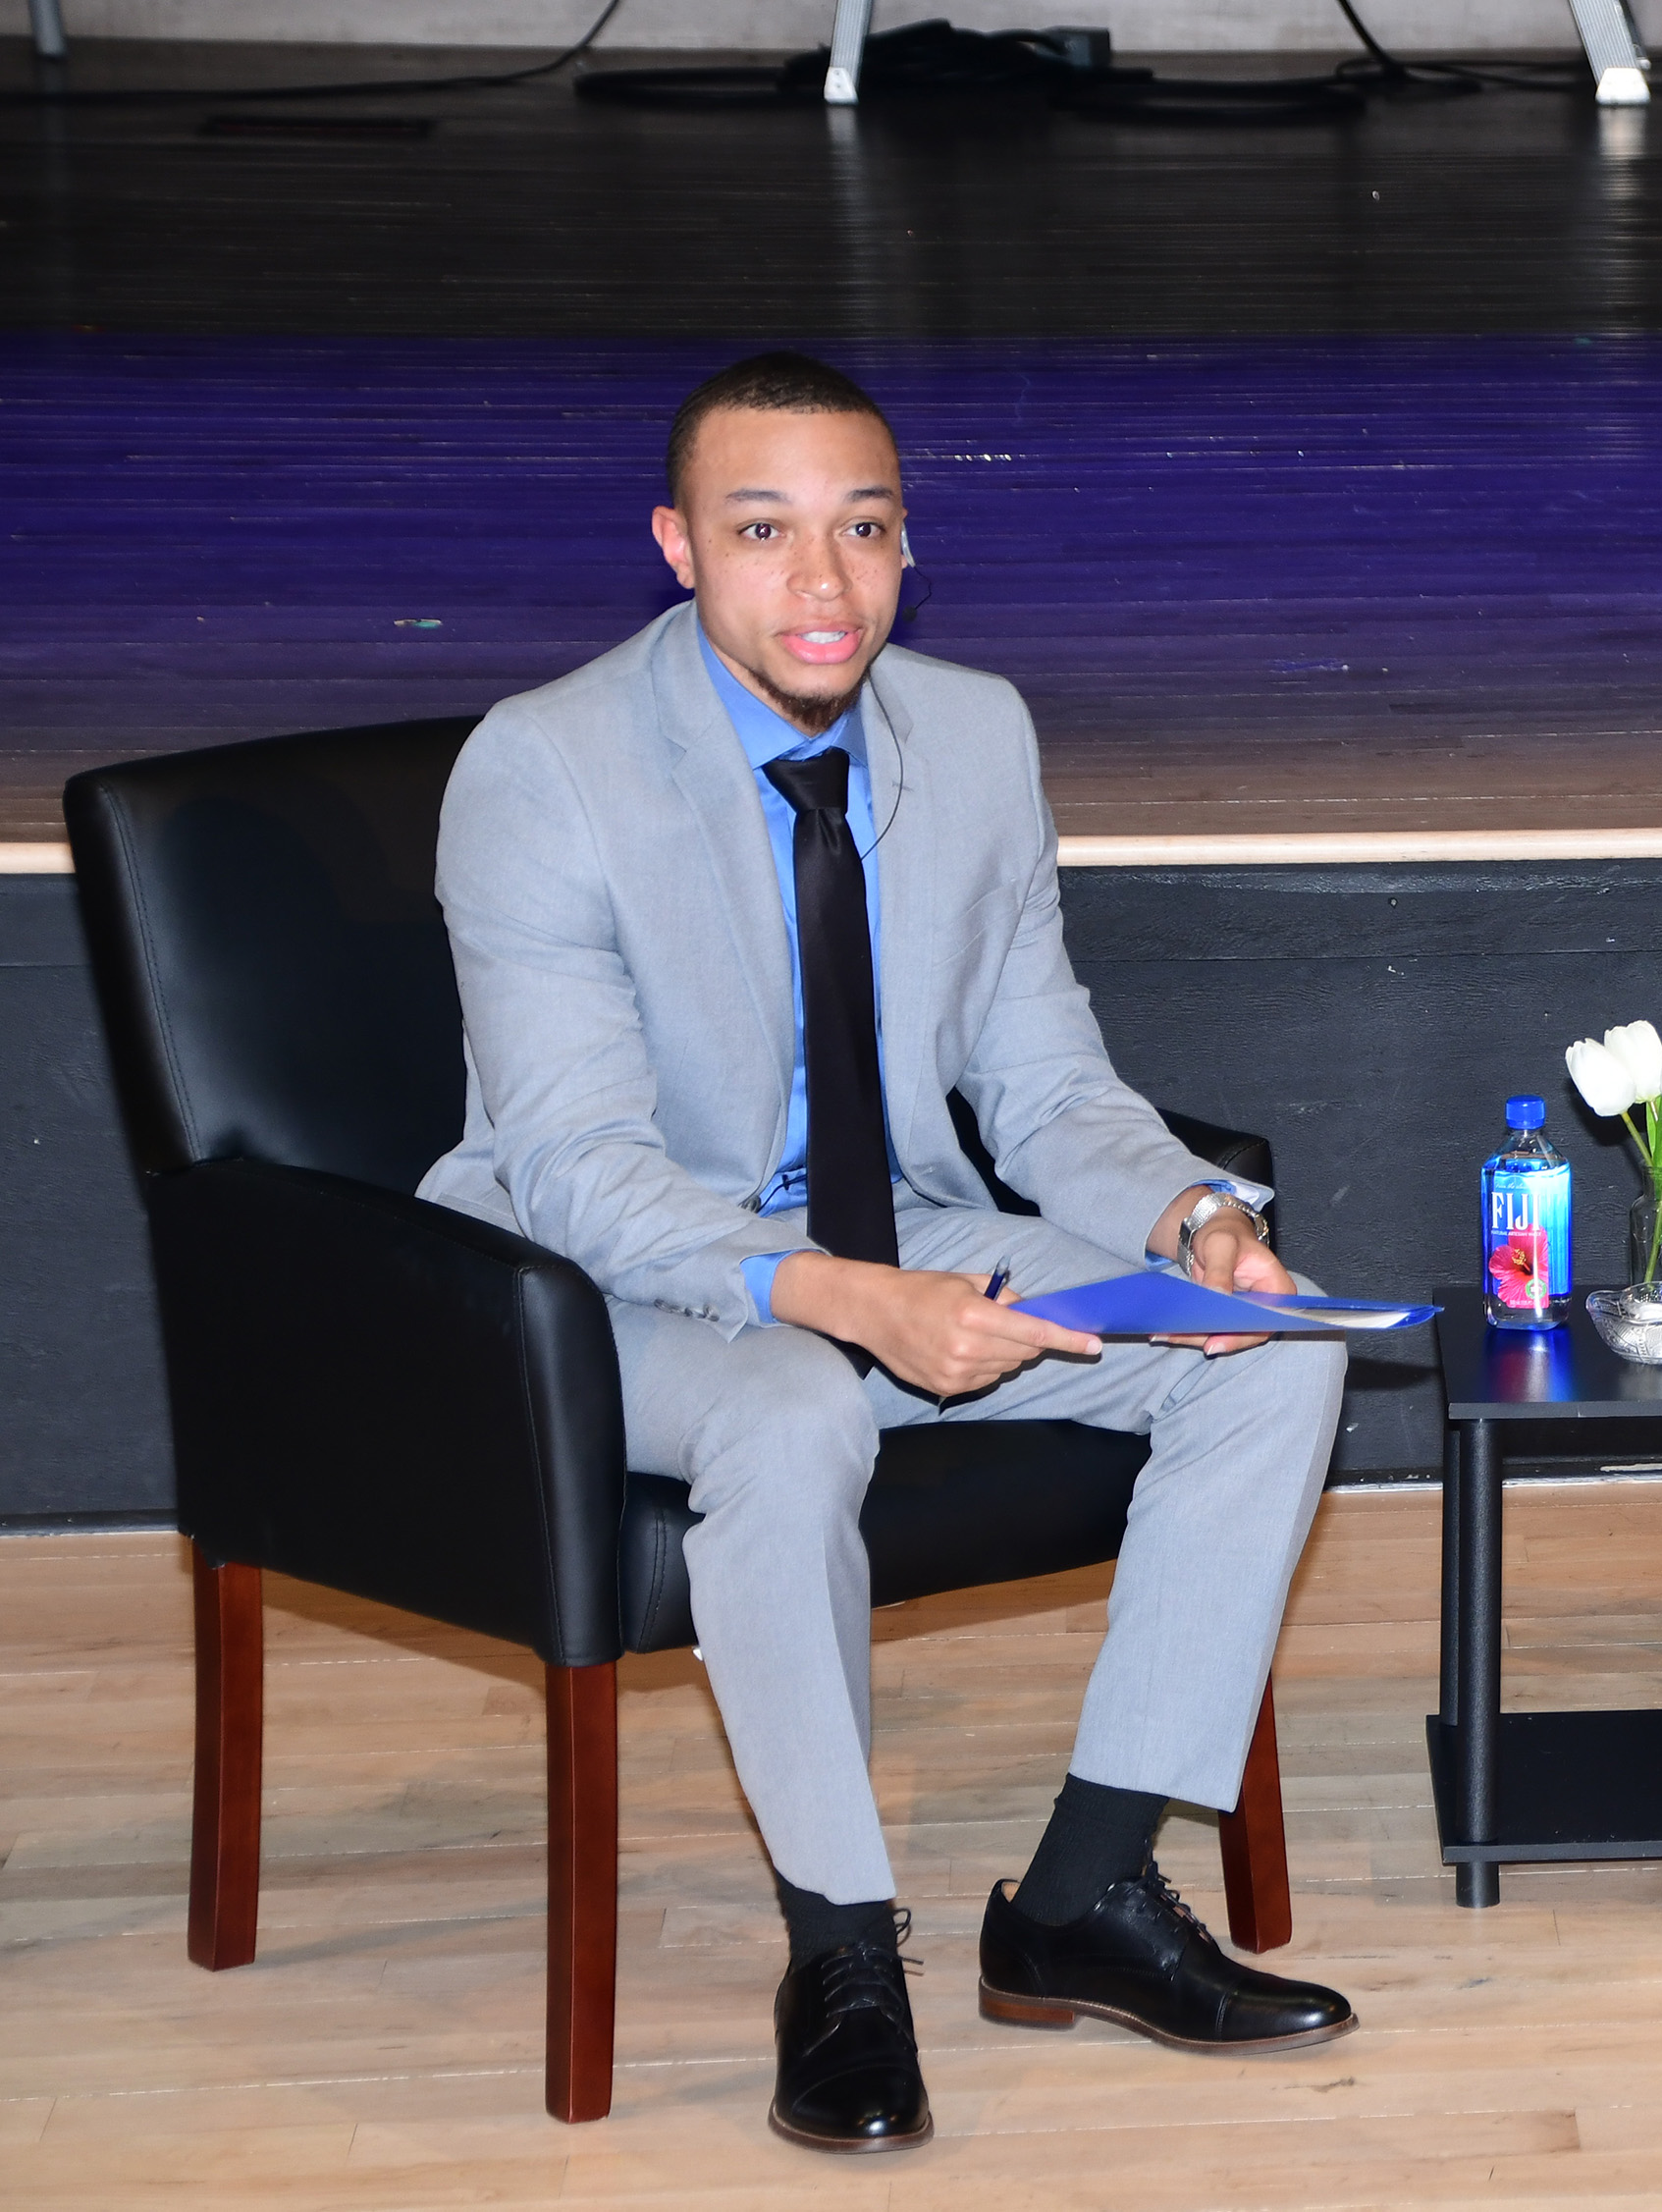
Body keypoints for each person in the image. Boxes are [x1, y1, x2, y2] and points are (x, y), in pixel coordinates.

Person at [420, 352, 1356, 2153]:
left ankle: (1083, 1896)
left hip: (897, 1225)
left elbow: (1044, 1081)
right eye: (765, 533)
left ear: (911, 548)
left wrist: (1194, 1219)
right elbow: (584, 1167)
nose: (823, 584)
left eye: (864, 530)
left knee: (1283, 1348)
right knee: (789, 1411)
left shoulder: (979, 733)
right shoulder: (543, 768)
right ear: (679, 548)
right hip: (593, 1282)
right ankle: (842, 1954)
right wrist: (857, 1307)